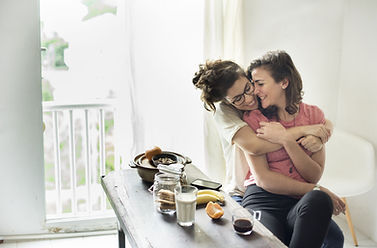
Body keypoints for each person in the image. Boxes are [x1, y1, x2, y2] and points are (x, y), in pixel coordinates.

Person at [192, 58, 344, 247]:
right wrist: (298, 133)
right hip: (250, 191)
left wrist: (320, 133)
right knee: (265, 241)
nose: (248, 99)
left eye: (249, 88)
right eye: (238, 99)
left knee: (333, 235)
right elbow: (256, 148)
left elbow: (320, 123)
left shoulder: (269, 102)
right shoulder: (235, 113)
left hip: (295, 197)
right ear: (227, 102)